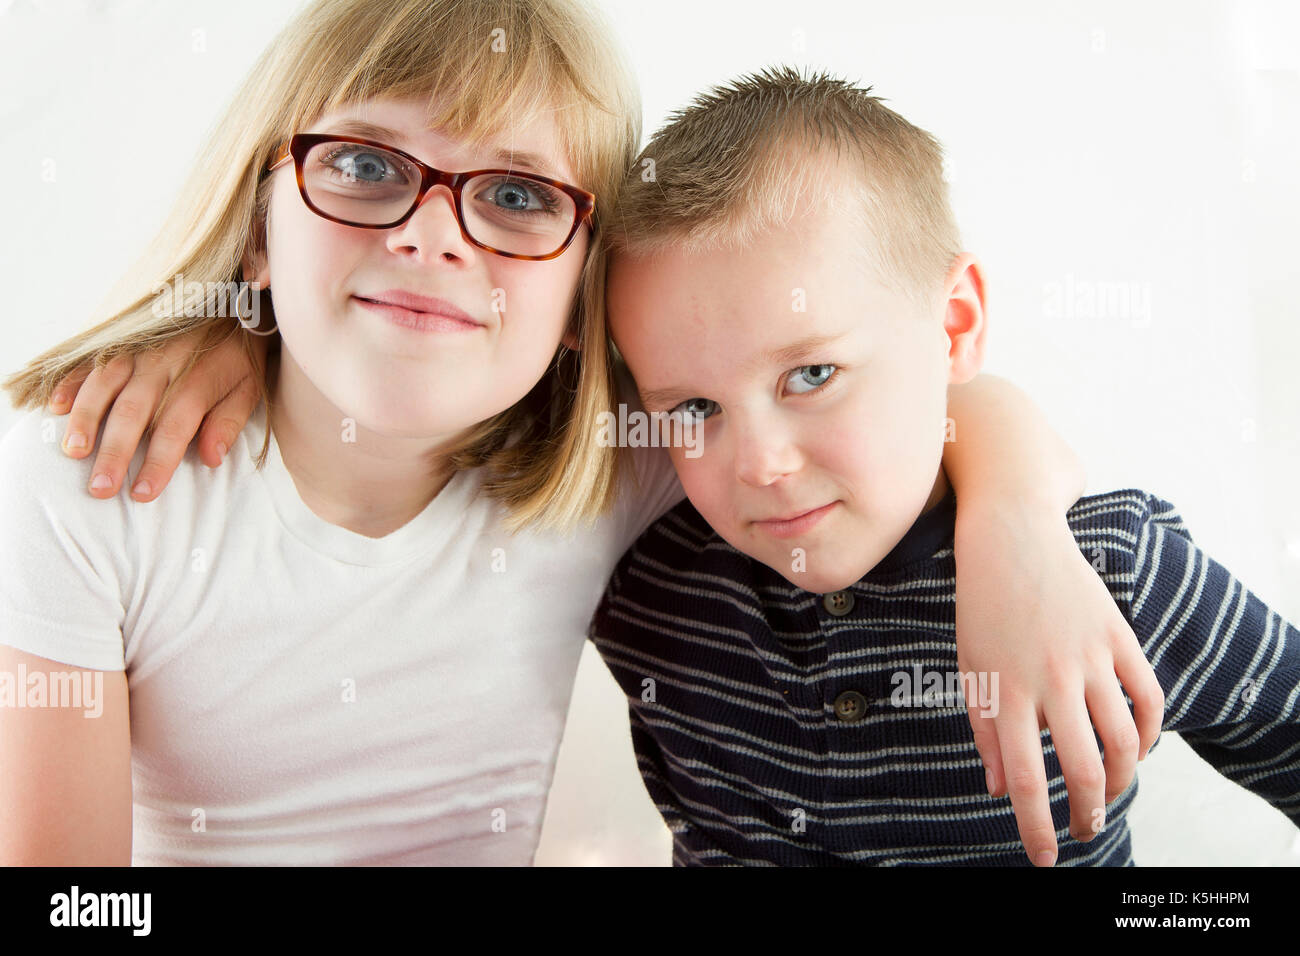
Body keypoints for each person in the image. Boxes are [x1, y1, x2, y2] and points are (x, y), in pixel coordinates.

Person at [0, 0, 1158, 866]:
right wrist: (228, 322)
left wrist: (1015, 528)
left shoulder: (629, 455)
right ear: (261, 222)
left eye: (515, 196)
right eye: (362, 166)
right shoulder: (93, 475)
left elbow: (927, 397)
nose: (428, 236)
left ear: (585, 297)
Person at [590, 66, 1300, 865]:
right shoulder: (639, 581)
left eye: (812, 376)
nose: (760, 464)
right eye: (694, 410)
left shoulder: (1105, 575)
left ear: (954, 326)